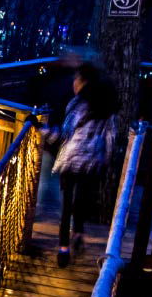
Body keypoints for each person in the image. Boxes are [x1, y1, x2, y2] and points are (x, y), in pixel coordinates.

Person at [41, 62, 120, 268]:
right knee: (81, 202)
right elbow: (111, 137)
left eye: (76, 79)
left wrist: (41, 128)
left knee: (67, 205)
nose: (73, 83)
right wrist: (107, 160)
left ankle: (63, 249)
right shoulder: (106, 105)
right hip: (93, 162)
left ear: (83, 81)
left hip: (71, 159)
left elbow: (64, 135)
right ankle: (78, 232)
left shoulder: (77, 105)